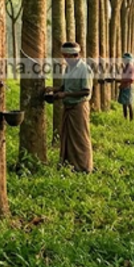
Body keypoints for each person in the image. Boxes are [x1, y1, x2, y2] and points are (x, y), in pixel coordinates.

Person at [54, 42, 93, 172]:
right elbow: (63, 87)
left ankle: (84, 166)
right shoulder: (68, 68)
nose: (65, 59)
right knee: (68, 136)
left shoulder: (84, 69)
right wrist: (54, 90)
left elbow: (86, 91)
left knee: (80, 137)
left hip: (79, 106)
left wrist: (65, 94)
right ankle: (69, 164)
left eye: (67, 56)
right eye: (64, 56)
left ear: (75, 55)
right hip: (68, 106)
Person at [118, 52, 134, 120]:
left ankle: (131, 119)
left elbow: (130, 79)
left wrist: (120, 81)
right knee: (124, 104)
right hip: (124, 87)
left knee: (129, 104)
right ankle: (125, 118)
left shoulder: (131, 67)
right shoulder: (126, 67)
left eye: (124, 59)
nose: (123, 60)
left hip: (128, 87)